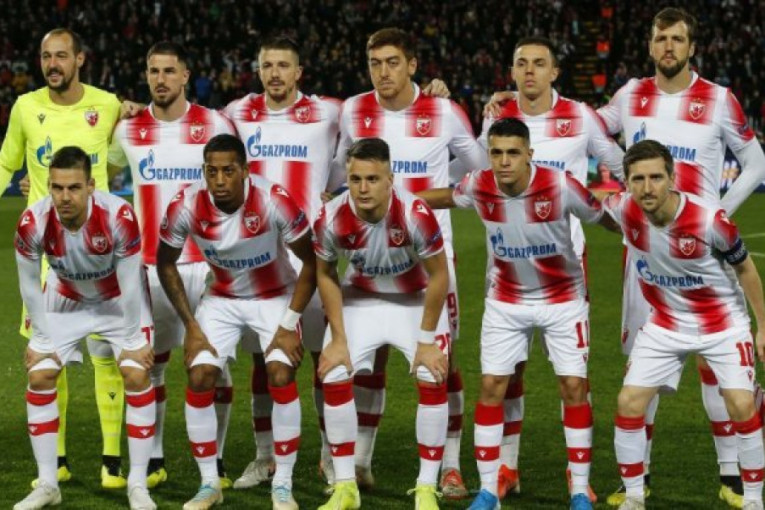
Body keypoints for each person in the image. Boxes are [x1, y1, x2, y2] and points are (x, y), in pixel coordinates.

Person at [596, 9, 765, 506]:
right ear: (650, 46)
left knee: (718, 364)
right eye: (660, 38)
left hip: (704, 254)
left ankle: (732, 475)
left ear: (692, 47)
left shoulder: (718, 99)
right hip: (644, 255)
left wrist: (720, 212)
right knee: (638, 366)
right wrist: (517, 102)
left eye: (677, 39)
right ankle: (638, 480)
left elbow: (756, 163)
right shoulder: (630, 95)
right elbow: (585, 130)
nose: (668, 46)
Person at [452, 36, 624, 501]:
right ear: (511, 72)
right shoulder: (497, 118)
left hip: (564, 264)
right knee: (508, 374)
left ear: (554, 72)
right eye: (521, 64)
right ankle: (506, 469)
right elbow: (473, 174)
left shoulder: (580, 117)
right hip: (506, 263)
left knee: (573, 377)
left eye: (539, 63)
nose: (529, 71)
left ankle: (577, 476)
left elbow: (617, 163)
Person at [419, 118, 618, 510]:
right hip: (506, 302)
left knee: (573, 387)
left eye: (513, 153)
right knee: (492, 385)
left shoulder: (560, 185)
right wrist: (399, 198)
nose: (504, 161)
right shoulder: (479, 185)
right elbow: (445, 197)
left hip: (563, 300)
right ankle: (488, 491)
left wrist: (642, 233)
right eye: (496, 153)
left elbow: (603, 217)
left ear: (530, 154)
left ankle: (580, 489)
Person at [330, 27, 487, 499]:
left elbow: (477, 170)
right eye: (375, 63)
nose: (383, 72)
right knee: (367, 359)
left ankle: (451, 467)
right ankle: (360, 461)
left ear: (413, 65)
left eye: (392, 62)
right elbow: (339, 170)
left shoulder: (444, 111)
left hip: (429, 256)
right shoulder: (353, 110)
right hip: (368, 256)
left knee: (443, 361)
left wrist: (425, 197)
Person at [156, 134, 316, 510]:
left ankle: (283, 483)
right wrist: (191, 327)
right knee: (199, 375)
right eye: (212, 172)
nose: (220, 180)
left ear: (245, 170)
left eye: (229, 171)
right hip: (222, 298)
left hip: (274, 296)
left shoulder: (273, 199)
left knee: (280, 372)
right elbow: (165, 262)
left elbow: (312, 261)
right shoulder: (185, 205)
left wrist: (289, 323)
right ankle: (209, 484)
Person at [604, 140, 765, 510]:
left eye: (656, 177)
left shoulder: (709, 220)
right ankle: (633, 497)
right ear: (626, 183)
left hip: (722, 325)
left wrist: (763, 326)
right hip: (665, 323)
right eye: (638, 179)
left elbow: (745, 268)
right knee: (629, 401)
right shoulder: (623, 208)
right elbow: (588, 203)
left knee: (741, 404)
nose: (647, 188)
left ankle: (754, 500)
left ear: (672, 178)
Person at [0, 27, 128, 489]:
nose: (52, 65)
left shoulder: (107, 105)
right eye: (45, 57)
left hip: (102, 255)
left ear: (79, 60)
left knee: (107, 355)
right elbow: (6, 162)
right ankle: (56, 461)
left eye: (60, 56)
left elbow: (119, 158)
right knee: (47, 358)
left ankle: (111, 462)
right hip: (49, 259)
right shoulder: (25, 107)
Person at [108, 41, 236, 490]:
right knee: (152, 365)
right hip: (148, 267)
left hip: (207, 265)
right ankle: (156, 457)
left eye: (169, 71)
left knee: (215, 366)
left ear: (185, 76)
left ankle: (217, 458)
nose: (160, 79)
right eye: (153, 71)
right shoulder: (127, 129)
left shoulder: (214, 124)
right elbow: (98, 170)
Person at [222, 35, 341, 489]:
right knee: (263, 362)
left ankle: (329, 456)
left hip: (313, 256)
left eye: (283, 65)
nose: (275, 73)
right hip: (258, 262)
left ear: (299, 73)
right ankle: (265, 456)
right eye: (267, 65)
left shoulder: (329, 112)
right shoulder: (236, 113)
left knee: (324, 359)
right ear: (259, 71)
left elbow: (379, 111)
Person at [13, 146, 157, 510]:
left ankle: (137, 485)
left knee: (136, 372)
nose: (65, 197)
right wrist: (41, 338)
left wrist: (133, 340)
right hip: (66, 296)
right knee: (40, 374)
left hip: (117, 298)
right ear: (49, 185)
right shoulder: (33, 221)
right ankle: (49, 484)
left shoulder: (118, 216)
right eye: (57, 187)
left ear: (91, 186)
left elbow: (130, 282)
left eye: (74, 187)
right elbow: (29, 284)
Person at [316, 137, 451, 510]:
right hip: (362, 296)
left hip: (415, 299)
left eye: (373, 179)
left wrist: (427, 340)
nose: (363, 188)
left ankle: (426, 488)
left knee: (432, 374)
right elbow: (325, 273)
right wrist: (338, 338)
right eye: (355, 179)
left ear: (390, 179)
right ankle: (346, 487)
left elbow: (440, 275)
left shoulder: (414, 213)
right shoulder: (331, 216)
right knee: (333, 371)